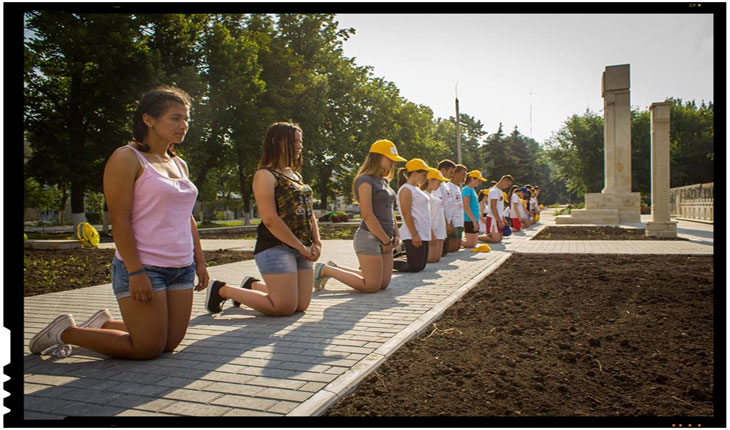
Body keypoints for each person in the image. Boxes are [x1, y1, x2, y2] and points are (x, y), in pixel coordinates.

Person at [29, 86, 209, 360]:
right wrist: (135, 272)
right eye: (175, 118)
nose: (183, 125)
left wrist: (200, 261)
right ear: (149, 119)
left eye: (186, 119)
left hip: (181, 267)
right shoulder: (127, 158)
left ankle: (102, 324)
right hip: (145, 266)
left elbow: (186, 216)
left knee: (168, 344)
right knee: (146, 348)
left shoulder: (178, 164)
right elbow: (119, 219)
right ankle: (65, 332)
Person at [206, 122, 320, 316]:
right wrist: (302, 248)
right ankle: (221, 289)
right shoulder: (264, 175)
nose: (299, 146)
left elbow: (309, 213)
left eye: (300, 141)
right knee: (283, 308)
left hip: (303, 246)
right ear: (277, 142)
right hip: (276, 247)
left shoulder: (296, 176)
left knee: (301, 306)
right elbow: (270, 219)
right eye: (294, 141)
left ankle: (252, 285)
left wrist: (317, 242)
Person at [311, 139, 405, 293]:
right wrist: (385, 240)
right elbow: (367, 215)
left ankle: (336, 268)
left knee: (383, 284)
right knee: (371, 286)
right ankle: (325, 270)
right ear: (377, 157)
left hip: (386, 238)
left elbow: (390, 210)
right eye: (390, 158)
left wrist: (396, 234)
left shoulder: (384, 181)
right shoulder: (365, 180)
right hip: (369, 237)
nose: (393, 162)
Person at [393, 158, 431, 272]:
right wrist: (414, 234)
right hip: (412, 233)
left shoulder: (416, 189)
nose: (426, 178)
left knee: (421, 266)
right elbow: (406, 213)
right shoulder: (406, 189)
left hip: (423, 232)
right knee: (415, 267)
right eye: (424, 175)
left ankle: (399, 256)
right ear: (414, 173)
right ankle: (383, 262)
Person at [421, 167, 448, 263]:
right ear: (430, 180)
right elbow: (424, 217)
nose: (440, 185)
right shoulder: (423, 195)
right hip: (432, 232)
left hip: (440, 231)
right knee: (431, 259)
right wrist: (431, 233)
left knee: (437, 259)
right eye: (439, 182)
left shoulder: (433, 195)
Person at [479, 175, 514, 243]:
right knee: (496, 239)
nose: (507, 187)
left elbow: (499, 208)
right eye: (508, 184)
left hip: (498, 217)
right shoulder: (494, 191)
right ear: (504, 181)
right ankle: (476, 238)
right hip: (492, 218)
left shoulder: (500, 191)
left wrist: (503, 219)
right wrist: (499, 221)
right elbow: (493, 207)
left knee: (500, 238)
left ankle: (489, 235)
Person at [435, 160, 457, 256]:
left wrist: (450, 222)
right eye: (450, 172)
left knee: (443, 253)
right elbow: (439, 206)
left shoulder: (444, 184)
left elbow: (448, 205)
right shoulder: (437, 184)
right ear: (443, 170)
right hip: (439, 223)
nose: (452, 175)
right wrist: (446, 223)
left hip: (446, 223)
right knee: (436, 256)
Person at [461, 170, 487, 248]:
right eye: (478, 180)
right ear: (472, 178)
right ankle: (451, 242)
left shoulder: (472, 189)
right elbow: (466, 206)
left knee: (473, 244)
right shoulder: (466, 189)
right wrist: (473, 221)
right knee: (470, 244)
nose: (479, 183)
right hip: (469, 219)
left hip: (474, 219)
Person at [446, 164, 467, 252]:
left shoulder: (458, 188)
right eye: (462, 174)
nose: (464, 176)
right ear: (454, 174)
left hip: (459, 222)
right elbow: (448, 206)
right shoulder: (448, 187)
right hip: (453, 222)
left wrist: (462, 223)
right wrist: (450, 223)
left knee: (457, 248)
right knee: (452, 249)